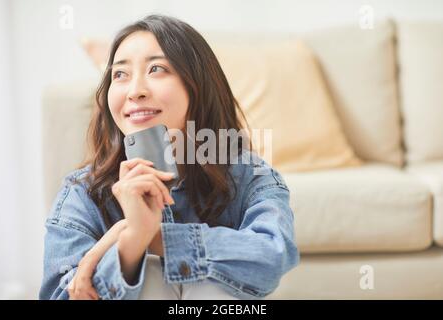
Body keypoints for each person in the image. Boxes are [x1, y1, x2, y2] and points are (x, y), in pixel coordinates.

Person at [39, 14, 299, 300]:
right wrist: (130, 246)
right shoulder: (82, 191)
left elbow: (272, 257)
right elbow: (62, 295)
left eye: (157, 69)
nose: (135, 91)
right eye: (120, 74)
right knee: (150, 274)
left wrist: (149, 236)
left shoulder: (249, 174)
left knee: (210, 284)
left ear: (196, 86)